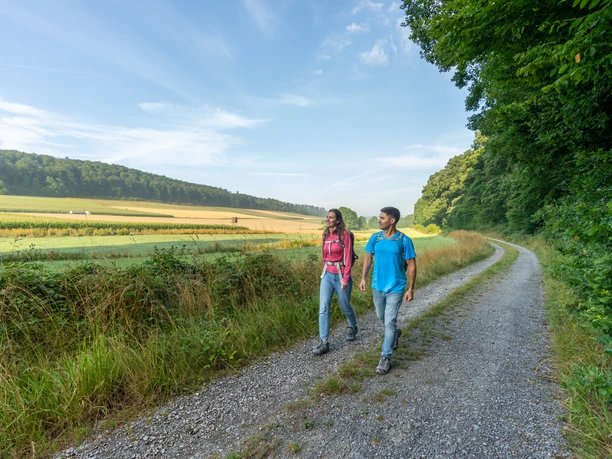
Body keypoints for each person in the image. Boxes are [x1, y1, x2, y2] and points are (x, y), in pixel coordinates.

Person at [359, 206, 417, 374]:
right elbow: (368, 258)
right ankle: (395, 333)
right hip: (377, 286)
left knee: (389, 320)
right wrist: (363, 278)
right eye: (379, 217)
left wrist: (411, 289)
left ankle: (385, 357)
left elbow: (412, 265)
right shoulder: (375, 238)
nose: (379, 220)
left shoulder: (404, 240)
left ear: (392, 221)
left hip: (396, 287)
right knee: (381, 317)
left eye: (382, 218)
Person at [312, 208, 359, 356]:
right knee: (323, 307)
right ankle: (324, 342)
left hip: (341, 274)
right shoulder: (325, 235)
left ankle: (353, 326)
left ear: (338, 220)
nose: (328, 219)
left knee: (344, 305)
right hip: (327, 274)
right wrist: (324, 271)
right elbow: (323, 256)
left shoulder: (344, 235)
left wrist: (345, 278)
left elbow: (348, 257)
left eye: (331, 217)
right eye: (327, 217)